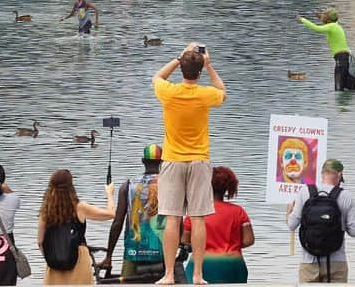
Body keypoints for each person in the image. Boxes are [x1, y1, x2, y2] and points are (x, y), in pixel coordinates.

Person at [152, 44, 226, 285]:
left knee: (172, 218)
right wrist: (209, 64)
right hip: (198, 160)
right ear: (199, 71)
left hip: (173, 159)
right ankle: (197, 275)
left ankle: (169, 274)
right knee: (198, 219)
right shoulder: (205, 94)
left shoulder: (169, 92)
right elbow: (222, 92)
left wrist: (178, 57)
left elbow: (157, 77)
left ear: (182, 69)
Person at [98, 144, 169, 281]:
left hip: (133, 252)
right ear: (162, 162)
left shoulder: (128, 185)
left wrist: (109, 256)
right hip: (164, 255)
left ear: (143, 161)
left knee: (127, 282)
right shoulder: (170, 186)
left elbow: (117, 223)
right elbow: (176, 221)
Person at [286, 159, 355, 283]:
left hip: (309, 261)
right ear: (340, 175)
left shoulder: (305, 192)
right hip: (336, 261)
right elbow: (354, 232)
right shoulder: (346, 196)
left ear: (322, 174)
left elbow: (292, 225)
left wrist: (288, 212)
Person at [37, 169, 114, 284]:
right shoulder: (80, 207)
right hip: (79, 261)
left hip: (54, 265)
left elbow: (40, 241)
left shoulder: (45, 211)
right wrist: (109, 194)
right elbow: (111, 214)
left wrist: (54, 256)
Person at [183, 166, 253, 284]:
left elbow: (184, 239)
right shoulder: (238, 211)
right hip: (233, 264)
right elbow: (249, 240)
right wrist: (232, 244)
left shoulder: (195, 211)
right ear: (228, 187)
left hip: (202, 264)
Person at [298, 9, 355, 91]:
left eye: (324, 15)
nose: (322, 16)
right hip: (346, 59)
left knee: (339, 89)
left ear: (328, 19)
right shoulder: (335, 25)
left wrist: (302, 20)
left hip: (341, 60)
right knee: (348, 89)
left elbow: (317, 28)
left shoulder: (331, 26)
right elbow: (327, 24)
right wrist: (320, 17)